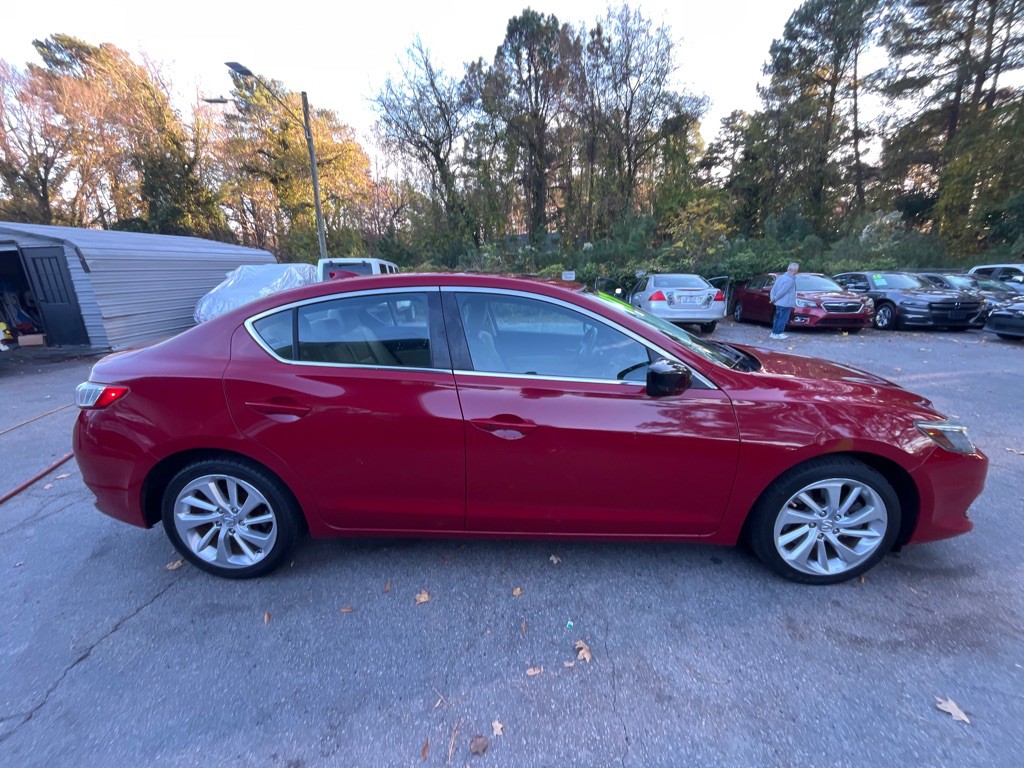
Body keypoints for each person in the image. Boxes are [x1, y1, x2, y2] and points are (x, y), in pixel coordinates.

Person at [769, 263, 799, 339]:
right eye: (797, 270)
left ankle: (774, 333)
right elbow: (783, 291)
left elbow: (773, 289)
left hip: (778, 303)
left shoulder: (780, 277)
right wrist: (774, 299)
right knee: (783, 319)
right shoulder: (790, 280)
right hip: (785, 303)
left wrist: (773, 299)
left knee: (778, 318)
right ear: (794, 270)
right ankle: (779, 333)